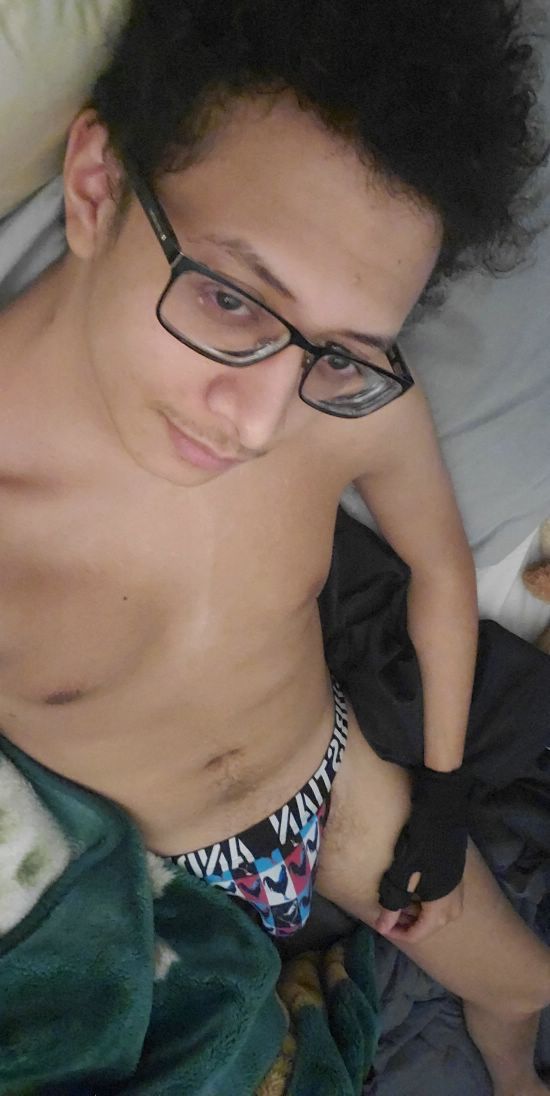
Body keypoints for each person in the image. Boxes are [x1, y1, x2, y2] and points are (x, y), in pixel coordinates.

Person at [1, 1, 548, 1092]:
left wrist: (442, 794)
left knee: (523, 986)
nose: (259, 424)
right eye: (231, 298)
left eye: (340, 350)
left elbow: (441, 568)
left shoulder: (350, 402)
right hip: (145, 886)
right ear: (97, 186)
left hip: (336, 790)